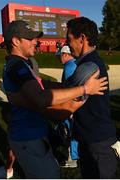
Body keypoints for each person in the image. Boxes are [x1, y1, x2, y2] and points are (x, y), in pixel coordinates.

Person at [2, 20, 108, 178]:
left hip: (30, 136)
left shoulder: (21, 64)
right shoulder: (17, 66)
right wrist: (84, 89)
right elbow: (41, 98)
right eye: (30, 38)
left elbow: (41, 85)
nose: (35, 42)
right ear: (16, 42)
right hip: (28, 138)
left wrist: (69, 87)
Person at [67, 16, 117, 178]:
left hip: (97, 143)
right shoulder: (88, 62)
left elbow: (67, 102)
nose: (67, 44)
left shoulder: (89, 66)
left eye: (69, 38)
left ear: (82, 38)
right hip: (93, 140)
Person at [59, 45, 79, 167]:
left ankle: (72, 159)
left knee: (70, 131)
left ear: (65, 55)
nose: (59, 59)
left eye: (60, 56)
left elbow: (70, 90)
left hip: (70, 105)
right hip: (76, 105)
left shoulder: (69, 66)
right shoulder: (75, 63)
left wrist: (70, 109)